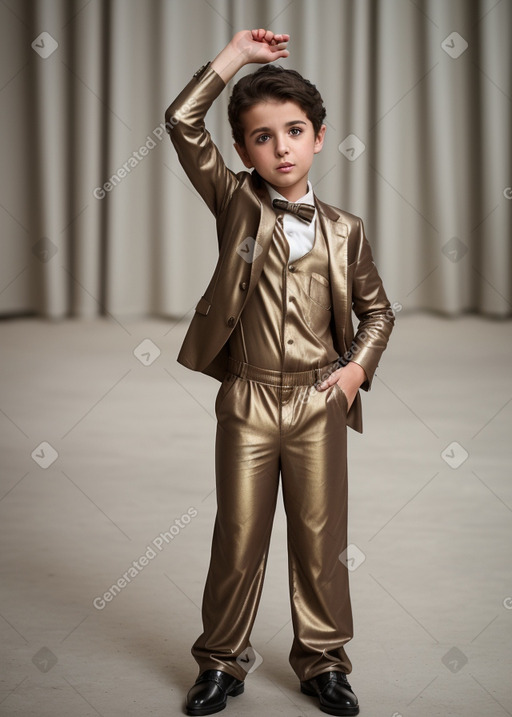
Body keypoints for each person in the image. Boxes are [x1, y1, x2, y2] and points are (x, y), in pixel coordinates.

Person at [165, 28, 394, 717]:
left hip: (318, 399)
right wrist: (233, 59)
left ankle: (323, 661)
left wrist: (355, 371)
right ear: (242, 151)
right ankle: (220, 662)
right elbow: (180, 122)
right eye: (262, 137)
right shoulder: (235, 201)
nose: (281, 147)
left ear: (319, 138)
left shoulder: (346, 230)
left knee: (321, 540)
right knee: (238, 536)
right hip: (248, 396)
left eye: (294, 131)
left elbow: (378, 310)